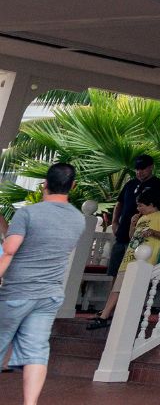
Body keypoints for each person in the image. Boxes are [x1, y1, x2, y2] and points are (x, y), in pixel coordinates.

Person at [0, 163, 88, 405]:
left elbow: (9, 250)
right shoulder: (78, 219)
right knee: (36, 351)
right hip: (49, 295)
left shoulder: (28, 213)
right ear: (73, 186)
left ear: (44, 184)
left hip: (17, 291)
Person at [88, 192, 160, 329]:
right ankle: (106, 315)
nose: (138, 209)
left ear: (151, 204)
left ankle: (106, 316)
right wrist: (132, 224)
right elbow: (132, 237)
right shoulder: (142, 218)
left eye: (141, 205)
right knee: (117, 288)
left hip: (144, 260)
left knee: (133, 289)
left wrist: (153, 232)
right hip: (130, 257)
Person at [105, 155, 160, 277]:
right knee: (115, 274)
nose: (139, 172)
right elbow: (119, 204)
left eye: (143, 169)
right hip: (122, 235)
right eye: (137, 169)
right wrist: (115, 222)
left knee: (133, 276)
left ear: (151, 167)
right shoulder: (130, 184)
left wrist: (158, 218)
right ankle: (114, 296)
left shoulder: (159, 184)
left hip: (142, 240)